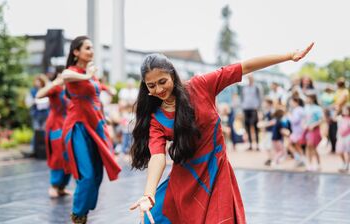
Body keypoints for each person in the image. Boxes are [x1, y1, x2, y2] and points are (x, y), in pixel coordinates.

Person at [129, 43, 314, 224]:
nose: (159, 90)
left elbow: (245, 66)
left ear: (172, 75)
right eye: (151, 86)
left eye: (162, 81)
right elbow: (157, 156)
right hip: (185, 180)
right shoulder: (156, 119)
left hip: (215, 173)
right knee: (156, 216)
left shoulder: (200, 86)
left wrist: (289, 55)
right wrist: (149, 194)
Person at [61, 36, 121, 224]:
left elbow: (94, 98)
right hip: (78, 127)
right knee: (86, 175)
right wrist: (87, 75)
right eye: (87, 48)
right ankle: (77, 215)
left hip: (95, 127)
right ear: (76, 52)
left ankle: (82, 214)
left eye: (92, 48)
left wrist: (105, 117)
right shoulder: (73, 72)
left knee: (96, 175)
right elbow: (65, 76)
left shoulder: (91, 73)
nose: (91, 51)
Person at [36, 68, 71, 198]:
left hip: (69, 125)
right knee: (58, 155)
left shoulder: (72, 89)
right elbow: (39, 95)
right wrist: (55, 82)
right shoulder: (55, 88)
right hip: (56, 125)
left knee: (70, 155)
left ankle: (62, 186)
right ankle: (54, 185)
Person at [241, 74, 262, 150]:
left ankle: (257, 145)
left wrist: (258, 108)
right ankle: (250, 145)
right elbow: (242, 98)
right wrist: (242, 106)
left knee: (255, 126)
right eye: (249, 78)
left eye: (251, 78)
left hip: (254, 109)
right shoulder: (244, 88)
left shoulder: (256, 87)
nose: (250, 79)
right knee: (247, 127)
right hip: (246, 109)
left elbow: (260, 98)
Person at [303, 93, 323, 171]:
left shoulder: (317, 108)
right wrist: (304, 124)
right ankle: (309, 164)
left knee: (313, 147)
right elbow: (305, 118)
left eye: (308, 98)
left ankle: (318, 163)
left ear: (312, 99)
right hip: (307, 130)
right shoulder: (306, 107)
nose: (306, 100)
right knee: (308, 146)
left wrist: (314, 125)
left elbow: (321, 120)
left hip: (314, 130)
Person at [336, 105, 350, 173]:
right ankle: (344, 163)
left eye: (346, 110)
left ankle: (347, 165)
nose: (345, 111)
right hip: (341, 137)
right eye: (344, 110)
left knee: (348, 151)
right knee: (339, 151)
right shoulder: (340, 118)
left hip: (348, 137)